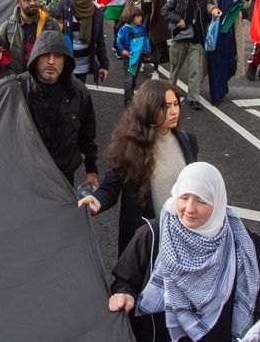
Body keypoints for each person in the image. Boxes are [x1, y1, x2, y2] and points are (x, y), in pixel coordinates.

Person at [108, 162, 260, 342]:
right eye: (184, 197)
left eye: (202, 201)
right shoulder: (153, 234)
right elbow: (125, 279)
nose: (189, 209)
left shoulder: (240, 243)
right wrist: (124, 292)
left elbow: (256, 295)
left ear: (218, 204)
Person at [80, 80, 199, 252]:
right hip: (146, 240)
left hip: (182, 236)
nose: (174, 111)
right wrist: (96, 201)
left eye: (176, 104)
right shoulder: (129, 147)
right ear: (148, 109)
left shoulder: (188, 141)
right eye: (165, 107)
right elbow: (110, 187)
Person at [16, 30, 98, 189]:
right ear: (36, 58)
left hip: (63, 176)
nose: (51, 61)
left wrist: (92, 170)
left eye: (58, 56)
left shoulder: (79, 92)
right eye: (46, 55)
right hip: (26, 176)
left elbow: (87, 136)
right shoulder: (18, 88)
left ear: (65, 60)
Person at [162, 0, 219, 110]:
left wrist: (213, 12)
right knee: (175, 68)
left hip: (196, 40)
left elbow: (206, 12)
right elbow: (164, 10)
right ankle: (169, 95)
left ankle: (193, 97)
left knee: (195, 70)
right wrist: (177, 19)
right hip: (180, 38)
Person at [51, 0, 108, 84]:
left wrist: (104, 65)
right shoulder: (62, 6)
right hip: (65, 64)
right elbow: (53, 35)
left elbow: (100, 40)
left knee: (77, 96)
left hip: (84, 65)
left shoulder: (95, 10)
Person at [0, 0, 62, 74]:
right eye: (27, 0)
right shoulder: (7, 27)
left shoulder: (52, 24)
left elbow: (60, 54)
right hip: (18, 79)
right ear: (18, 3)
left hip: (44, 79)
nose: (32, 2)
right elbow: (0, 58)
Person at [205, 0, 239, 104]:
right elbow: (205, 3)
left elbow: (245, 0)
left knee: (231, 63)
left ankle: (222, 86)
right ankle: (216, 93)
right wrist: (213, 9)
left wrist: (246, 4)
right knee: (215, 63)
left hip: (232, 29)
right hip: (216, 30)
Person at [115, 7, 152, 106]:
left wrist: (147, 52)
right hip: (129, 57)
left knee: (134, 79)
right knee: (129, 79)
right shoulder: (125, 29)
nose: (140, 18)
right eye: (138, 16)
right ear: (131, 17)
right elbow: (119, 41)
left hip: (139, 56)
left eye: (141, 16)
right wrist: (122, 50)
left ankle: (130, 94)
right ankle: (128, 100)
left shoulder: (142, 28)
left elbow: (145, 39)